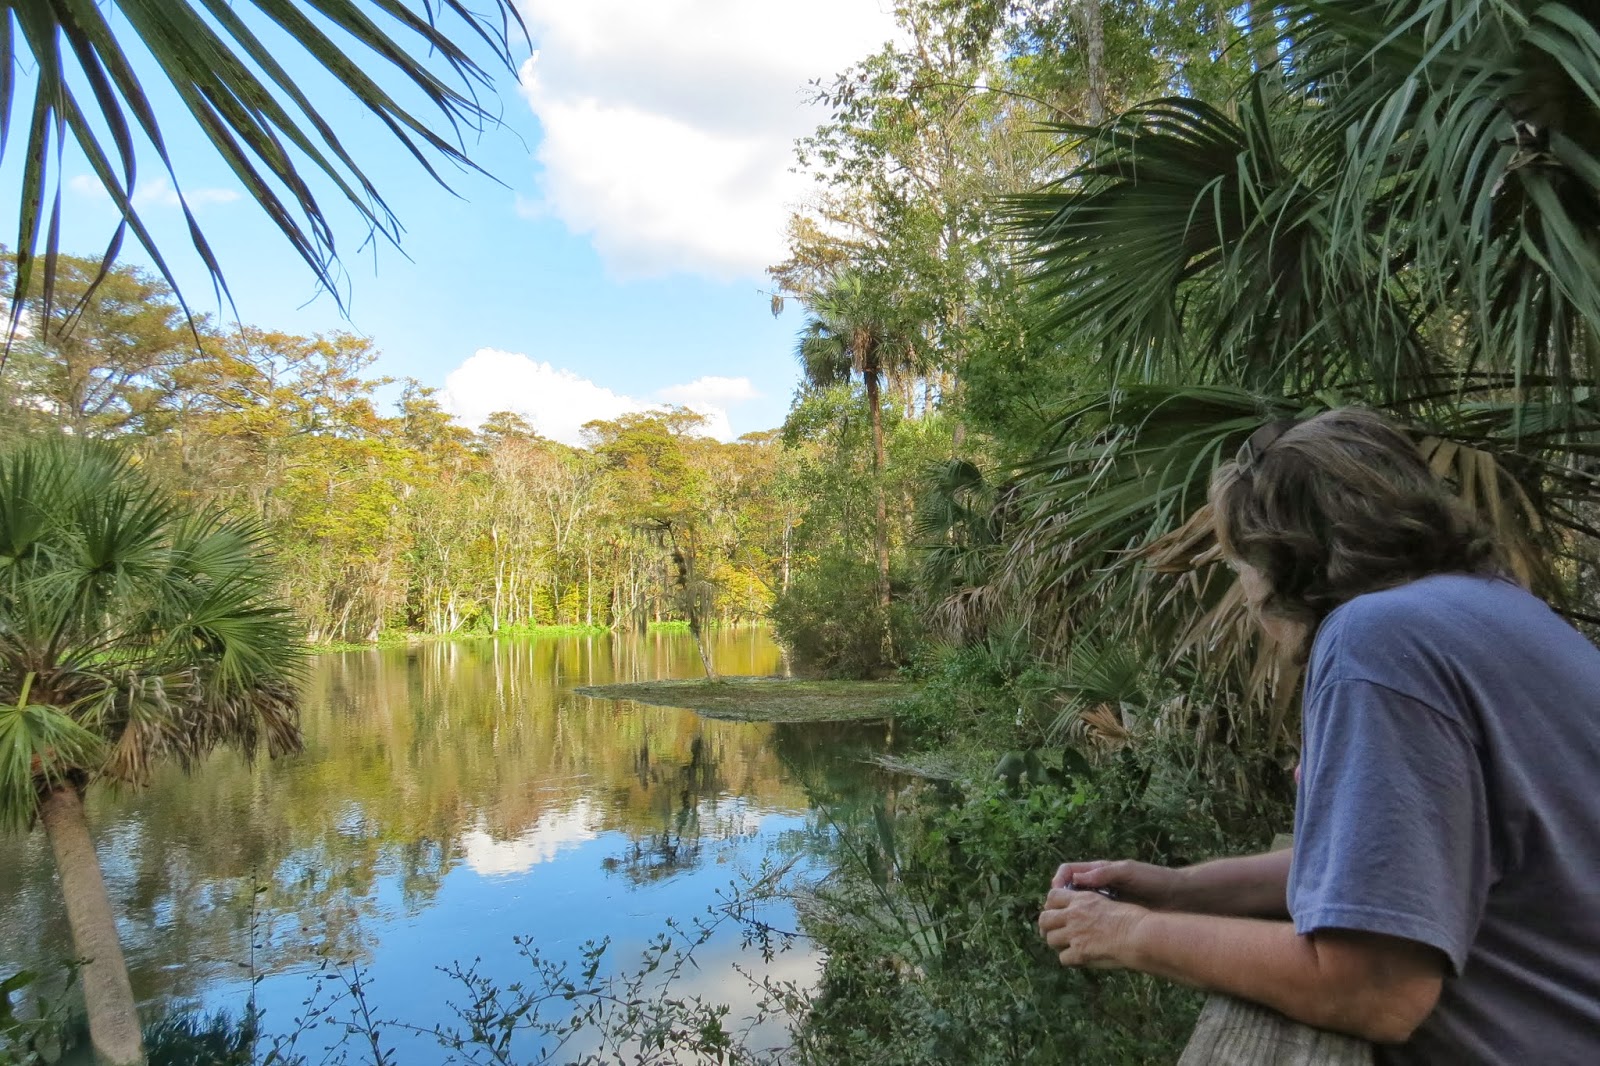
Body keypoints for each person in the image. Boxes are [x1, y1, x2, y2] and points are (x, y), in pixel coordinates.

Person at [1036, 408, 1600, 1063]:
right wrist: (1179, 889)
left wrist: (1129, 934)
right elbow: (1383, 870)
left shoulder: (1378, 641)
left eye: (1238, 565)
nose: (1245, 596)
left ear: (1283, 559)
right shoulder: (1499, 611)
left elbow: (1375, 989)